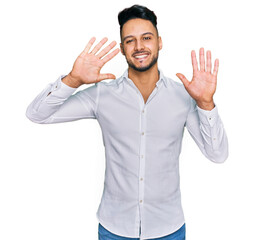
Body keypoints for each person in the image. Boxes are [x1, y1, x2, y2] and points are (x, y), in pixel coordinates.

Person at [26, 4, 228, 240]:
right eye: (130, 41)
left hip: (168, 228)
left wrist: (205, 103)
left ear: (159, 42)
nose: (139, 46)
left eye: (147, 38)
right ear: (122, 48)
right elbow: (37, 114)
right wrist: (73, 80)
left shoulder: (183, 96)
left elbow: (218, 155)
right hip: (114, 228)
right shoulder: (102, 94)